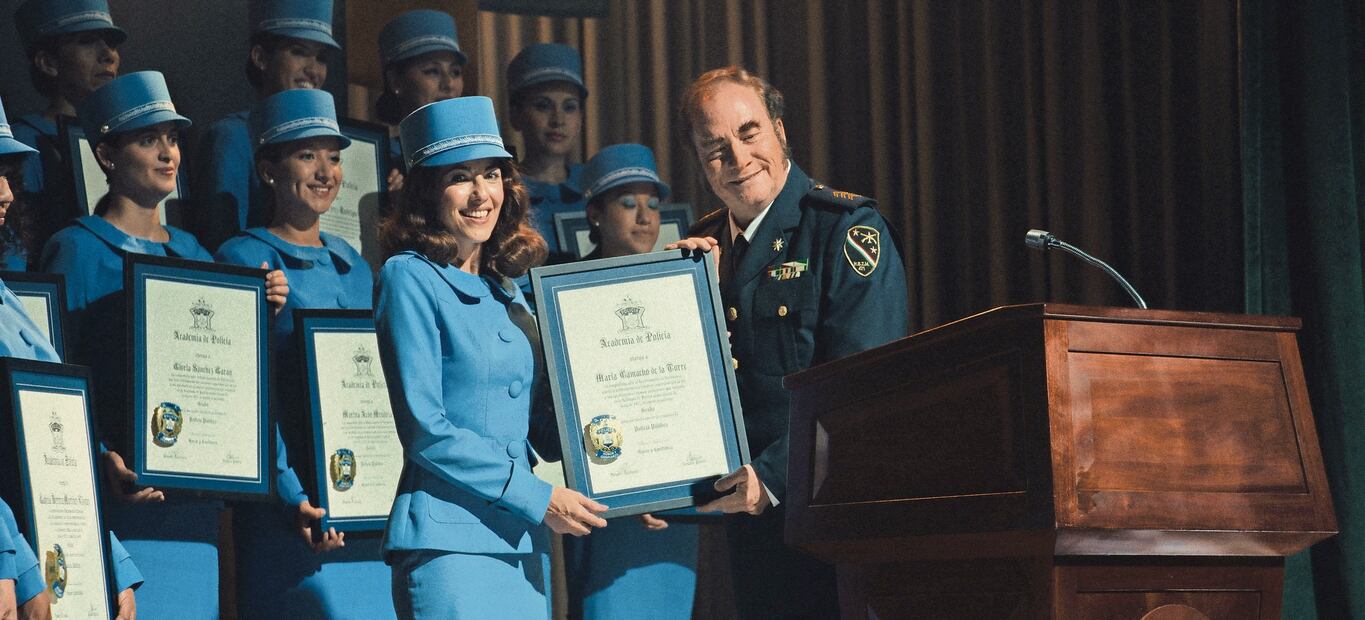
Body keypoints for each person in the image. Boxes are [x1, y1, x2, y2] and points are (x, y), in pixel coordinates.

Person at [39, 71, 289, 617]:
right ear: (106, 155)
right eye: (148, 139)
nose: (168, 153)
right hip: (115, 504)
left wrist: (257, 312)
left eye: (173, 139)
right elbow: (52, 381)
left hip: (192, 508)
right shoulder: (77, 249)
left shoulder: (195, 253)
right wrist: (100, 456)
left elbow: (230, 377)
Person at [671, 66, 910, 618]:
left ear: (780, 131)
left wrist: (774, 477)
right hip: (743, 524)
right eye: (715, 148)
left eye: (749, 133)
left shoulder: (844, 230)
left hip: (831, 518)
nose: (737, 158)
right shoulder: (699, 250)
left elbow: (863, 389)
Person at [375, 96, 608, 618]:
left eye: (492, 174)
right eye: (460, 177)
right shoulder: (408, 276)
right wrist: (538, 496)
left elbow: (543, 424)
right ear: (428, 190)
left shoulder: (509, 289)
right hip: (450, 546)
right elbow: (426, 430)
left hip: (522, 544)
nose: (482, 194)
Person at [214, 88, 392, 618]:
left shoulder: (355, 265)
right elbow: (246, 397)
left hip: (363, 508)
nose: (325, 172)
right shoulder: (244, 258)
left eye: (333, 158)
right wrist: (291, 494)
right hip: (288, 512)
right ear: (268, 169)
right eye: (307, 155)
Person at [0, 112, 142, 619]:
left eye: (8, 176)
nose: (6, 194)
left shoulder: (11, 304)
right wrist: (11, 562)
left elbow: (58, 447)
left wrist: (107, 558)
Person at [562, 143, 699, 620]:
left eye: (653, 205)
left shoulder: (680, 287)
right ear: (594, 213)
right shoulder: (566, 293)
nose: (644, 217)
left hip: (676, 504)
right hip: (605, 502)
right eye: (627, 203)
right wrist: (627, 487)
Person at [191, 0, 340, 252]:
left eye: (321, 57)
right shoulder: (234, 136)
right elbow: (220, 246)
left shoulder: (331, 137)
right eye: (298, 52)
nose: (313, 70)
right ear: (260, 57)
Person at [10, 0, 127, 264]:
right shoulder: (24, 143)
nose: (108, 55)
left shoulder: (129, 144)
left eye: (111, 43)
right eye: (87, 41)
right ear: (48, 62)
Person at [506, 43, 588, 264]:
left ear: (580, 117)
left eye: (569, 107)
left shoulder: (596, 187)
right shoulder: (503, 192)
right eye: (542, 106)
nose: (558, 120)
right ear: (516, 114)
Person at [376, 9, 467, 193]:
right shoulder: (378, 161)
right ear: (395, 81)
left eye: (455, 72)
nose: (448, 84)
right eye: (432, 71)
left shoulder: (478, 155)